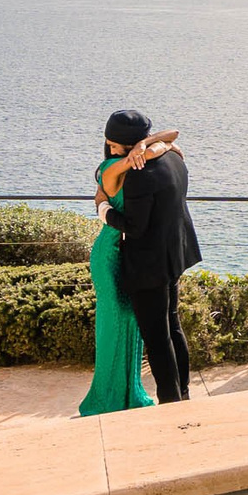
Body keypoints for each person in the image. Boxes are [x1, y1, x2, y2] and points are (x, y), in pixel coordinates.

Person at [97, 108, 202, 404]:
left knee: (157, 338)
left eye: (112, 143)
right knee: (173, 325)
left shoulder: (138, 175)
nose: (108, 148)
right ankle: (182, 391)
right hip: (175, 254)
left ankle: (170, 402)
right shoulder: (174, 157)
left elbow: (134, 226)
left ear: (127, 145)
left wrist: (103, 209)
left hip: (148, 265)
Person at [78, 125, 168, 417]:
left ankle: (130, 392)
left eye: (116, 144)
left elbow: (174, 134)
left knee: (131, 321)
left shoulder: (135, 160)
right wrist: (153, 147)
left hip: (127, 253)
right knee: (113, 322)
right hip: (109, 255)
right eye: (109, 144)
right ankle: (105, 396)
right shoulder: (110, 167)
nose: (112, 149)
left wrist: (150, 144)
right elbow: (165, 143)